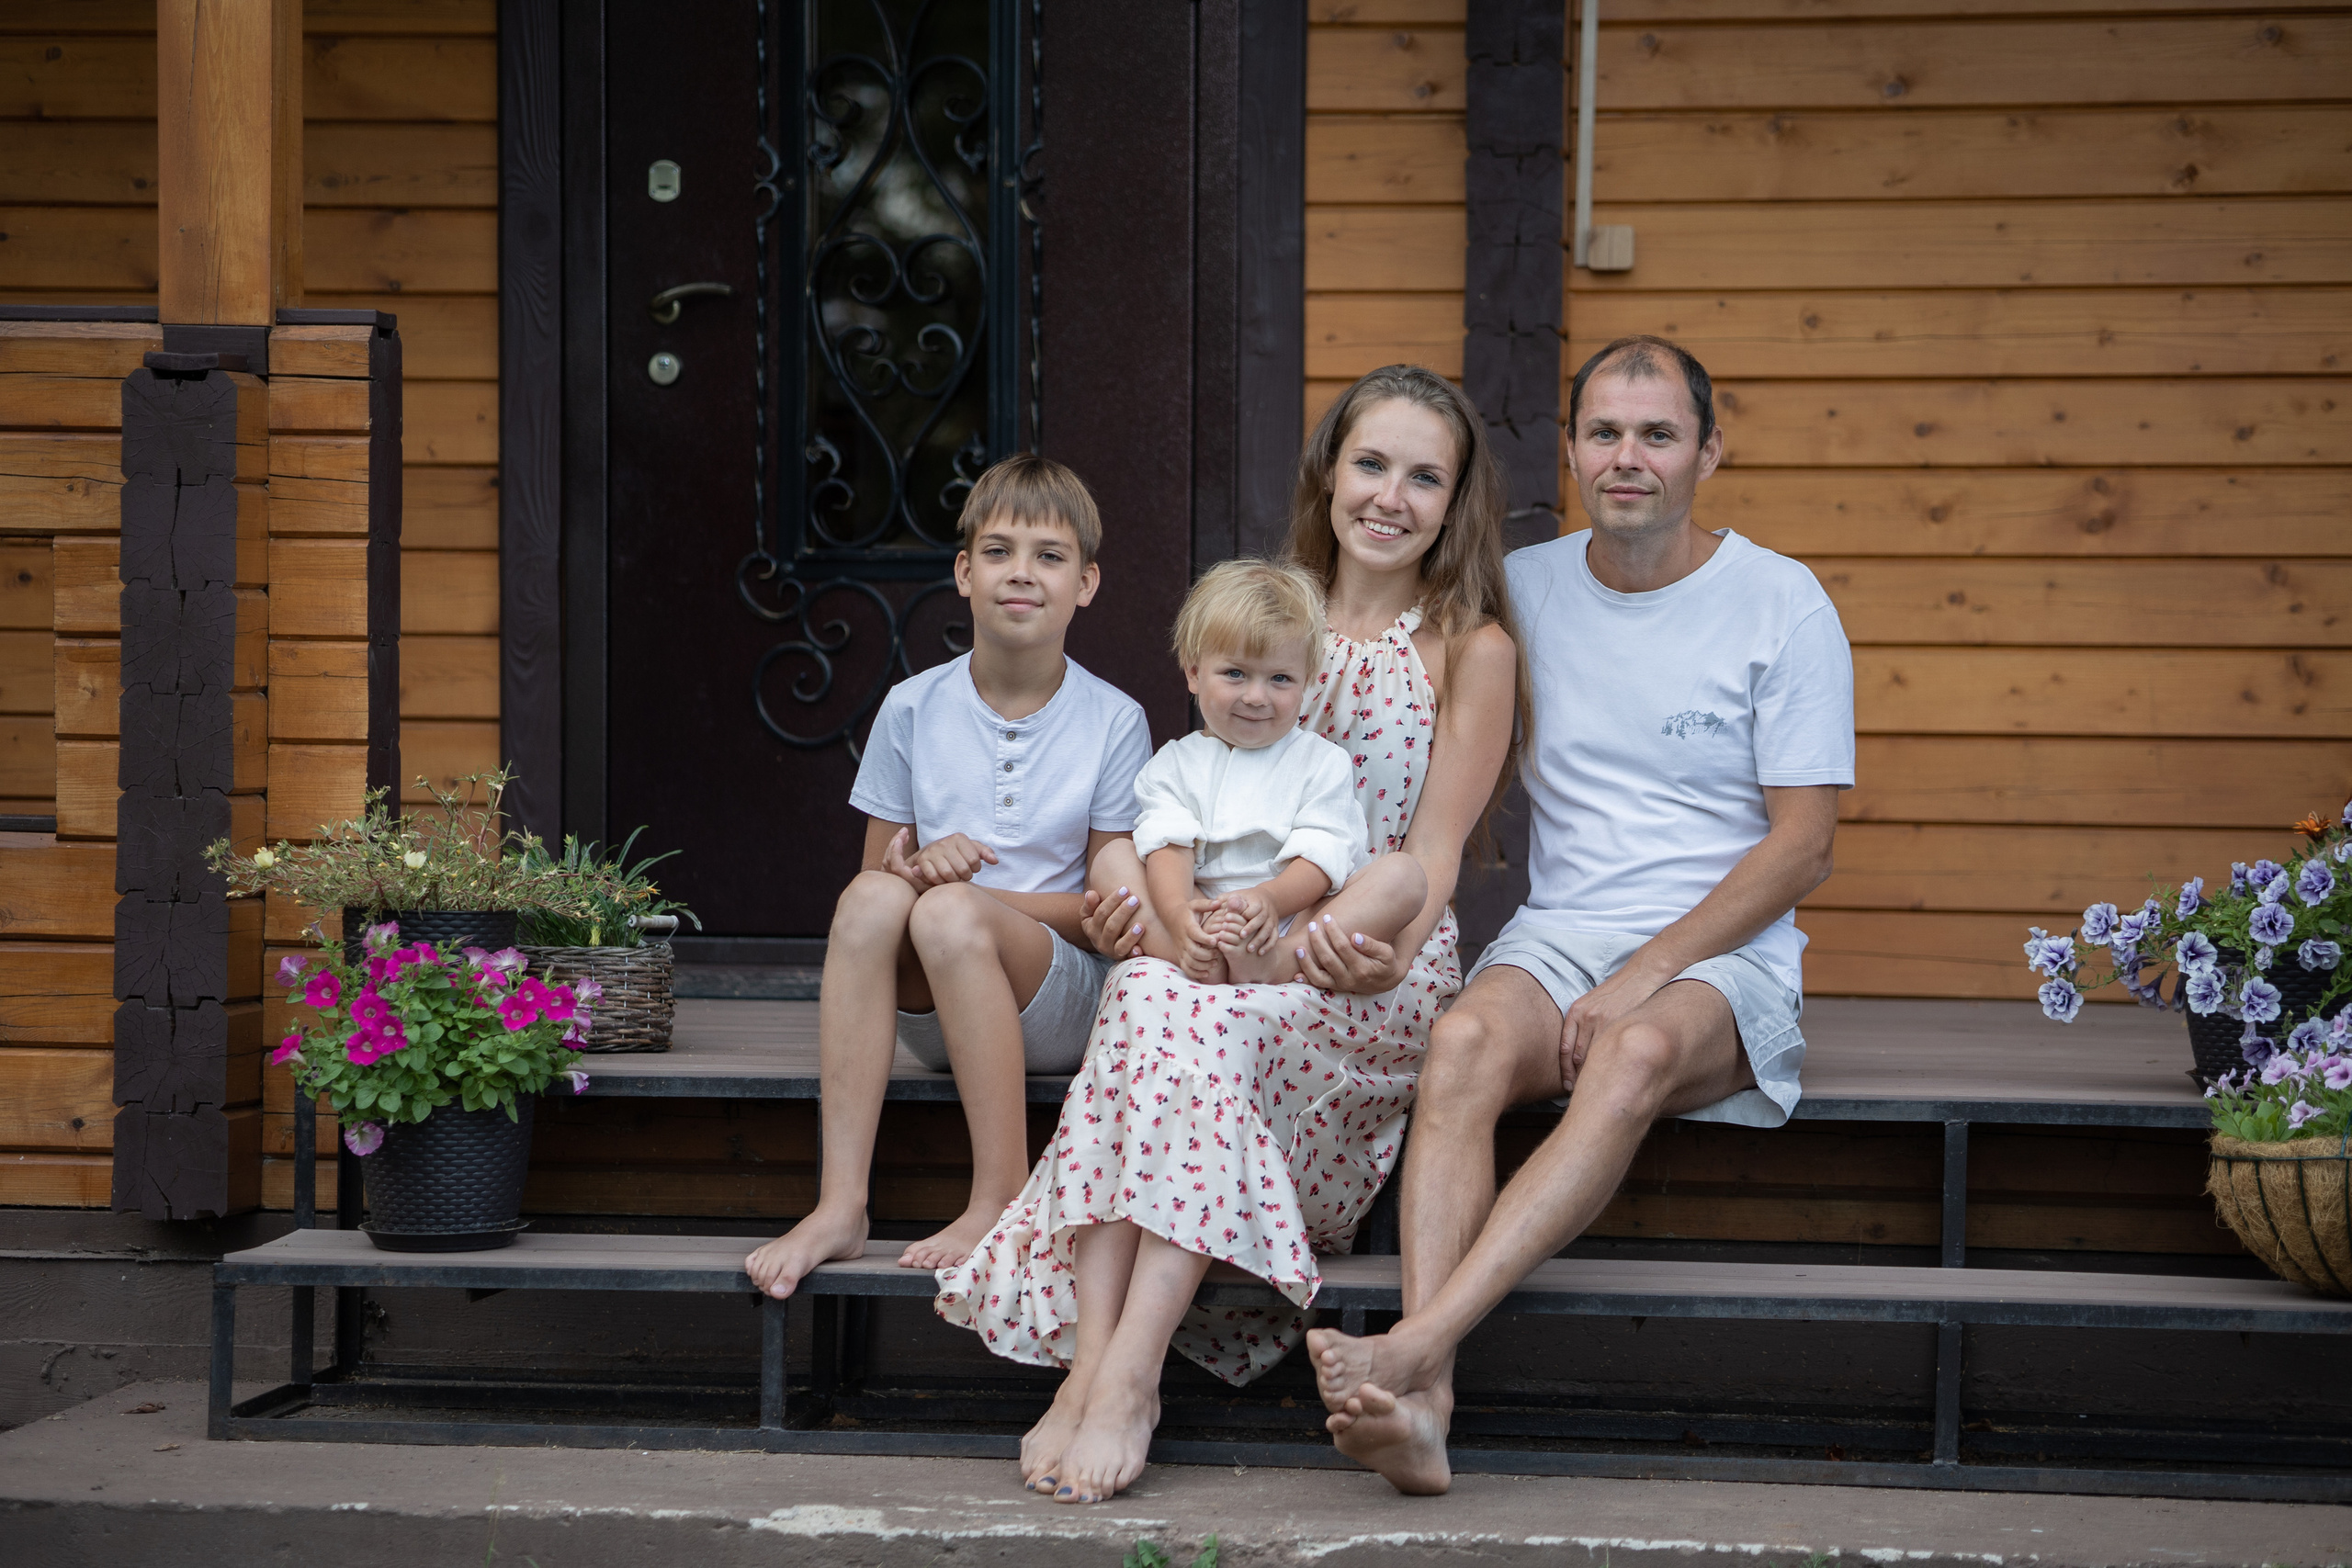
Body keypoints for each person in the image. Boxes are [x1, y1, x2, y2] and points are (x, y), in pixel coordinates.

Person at [933, 365, 1526, 1505]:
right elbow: (1175, 810)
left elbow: (1431, 859)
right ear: (1328, 471)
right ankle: (1109, 1365)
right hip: (1212, 946)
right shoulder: (1264, 608)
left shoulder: (1468, 644)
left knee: (1190, 1015)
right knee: (1154, 999)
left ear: (1455, 503)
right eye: (1370, 464)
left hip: (1364, 962)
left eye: (1423, 477)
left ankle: (1119, 1372)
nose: (1390, 497)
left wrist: (1356, 946)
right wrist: (1135, 900)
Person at [1306, 334, 1855, 1495]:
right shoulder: (1528, 590)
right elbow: (1371, 633)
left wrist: (1644, 974)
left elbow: (1802, 844)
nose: (1627, 458)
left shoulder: (1780, 602)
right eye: (1602, 433)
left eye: (1657, 434)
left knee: (1633, 1053)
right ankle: (1426, 1416)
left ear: (1710, 449)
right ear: (1567, 451)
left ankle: (1411, 1350)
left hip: (1723, 953)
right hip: (1558, 935)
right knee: (1454, 1047)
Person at [744, 454, 1151, 1294]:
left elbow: (1106, 912)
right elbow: (877, 892)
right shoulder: (911, 707)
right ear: (964, 573)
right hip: (937, 1006)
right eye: (999, 551)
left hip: (1063, 995)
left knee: (946, 914)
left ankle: (1000, 1192)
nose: (1022, 574)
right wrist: (916, 875)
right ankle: (841, 1203)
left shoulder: (1115, 720)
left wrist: (962, 894)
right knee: (874, 901)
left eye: (1050, 555)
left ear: (1087, 583)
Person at [1094, 558, 1428, 986]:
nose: (1256, 696)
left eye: (1280, 679)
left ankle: (1281, 961)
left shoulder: (1320, 762)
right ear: (1194, 673)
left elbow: (1321, 855)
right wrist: (1181, 916)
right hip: (1200, 908)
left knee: (1403, 876)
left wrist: (1268, 901)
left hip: (1297, 915)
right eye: (1235, 673)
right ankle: (1186, 948)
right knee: (1112, 859)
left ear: (1308, 681)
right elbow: (1168, 848)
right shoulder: (1174, 765)